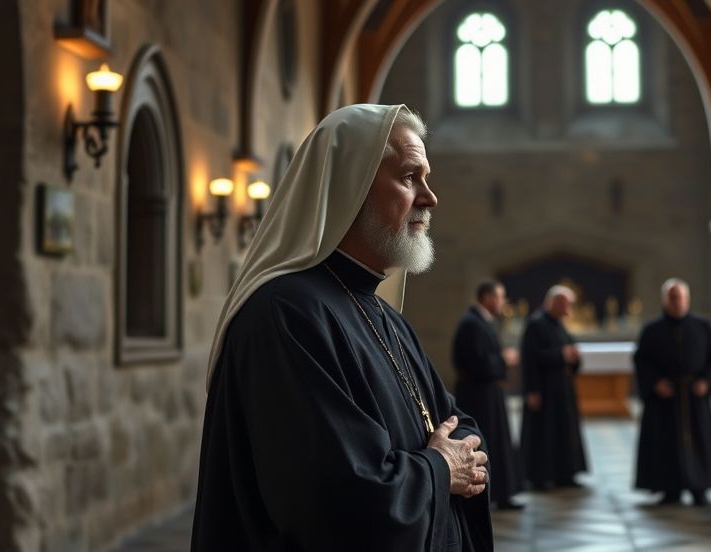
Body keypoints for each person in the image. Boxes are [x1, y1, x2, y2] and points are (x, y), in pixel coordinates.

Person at [191, 104, 493, 551]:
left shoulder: (383, 315)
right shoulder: (285, 314)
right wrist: (439, 469)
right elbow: (332, 499)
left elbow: (456, 420)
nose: (430, 198)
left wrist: (454, 455)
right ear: (348, 186)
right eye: (410, 177)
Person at [633, 278, 711, 506]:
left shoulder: (702, 326)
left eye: (681, 297)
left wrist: (708, 380)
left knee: (699, 441)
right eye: (673, 298)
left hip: (694, 394)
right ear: (665, 300)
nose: (678, 302)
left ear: (688, 299)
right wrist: (655, 383)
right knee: (665, 443)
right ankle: (669, 489)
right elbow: (641, 360)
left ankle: (700, 488)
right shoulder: (652, 329)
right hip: (665, 397)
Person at [452, 280, 524, 510]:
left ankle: (502, 493)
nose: (503, 303)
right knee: (487, 442)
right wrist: (504, 359)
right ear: (487, 298)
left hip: (489, 393)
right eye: (500, 297)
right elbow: (476, 362)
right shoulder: (472, 324)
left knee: (497, 443)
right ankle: (489, 494)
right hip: (479, 396)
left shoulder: (481, 322)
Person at [519, 285, 588, 489]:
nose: (569, 309)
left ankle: (565, 474)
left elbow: (568, 352)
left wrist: (574, 357)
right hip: (544, 389)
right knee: (544, 432)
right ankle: (540, 476)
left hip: (562, 389)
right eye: (567, 304)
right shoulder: (536, 324)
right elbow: (531, 359)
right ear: (555, 303)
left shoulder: (559, 325)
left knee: (563, 431)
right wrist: (531, 391)